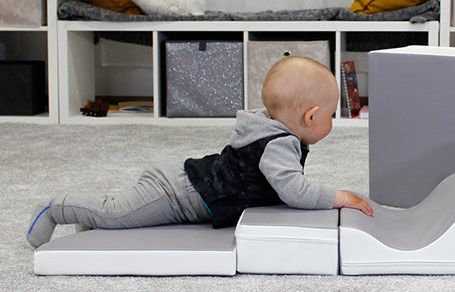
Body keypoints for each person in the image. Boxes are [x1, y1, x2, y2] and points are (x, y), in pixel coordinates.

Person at [27, 56, 373, 248]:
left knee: (120, 218)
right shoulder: (278, 143)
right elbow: (295, 191)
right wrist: (342, 197)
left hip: (187, 187)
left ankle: (90, 224)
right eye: (330, 115)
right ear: (311, 116)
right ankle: (57, 207)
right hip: (178, 193)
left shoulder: (272, 129)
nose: (331, 122)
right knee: (117, 213)